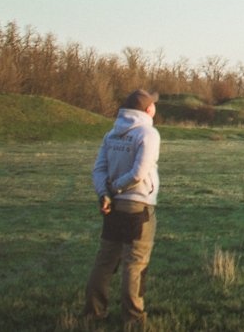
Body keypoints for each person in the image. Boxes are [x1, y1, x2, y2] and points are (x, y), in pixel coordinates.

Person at [84, 89, 161, 326]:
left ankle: (94, 313)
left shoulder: (111, 134)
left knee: (105, 261)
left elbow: (99, 169)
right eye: (154, 105)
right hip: (138, 207)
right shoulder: (148, 133)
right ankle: (134, 319)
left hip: (113, 206)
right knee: (135, 263)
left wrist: (105, 194)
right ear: (148, 110)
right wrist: (116, 189)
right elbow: (139, 173)